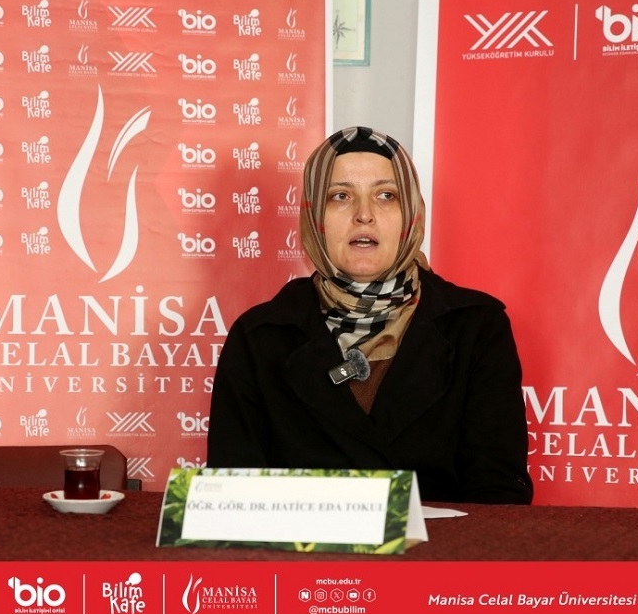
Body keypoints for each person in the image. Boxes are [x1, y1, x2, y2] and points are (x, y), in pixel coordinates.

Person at [206, 126, 533, 504]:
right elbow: (231, 501)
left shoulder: (476, 327)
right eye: (340, 196)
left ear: (410, 214)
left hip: (439, 542)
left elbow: (499, 496)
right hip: (301, 543)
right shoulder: (259, 338)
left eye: (386, 196)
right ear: (314, 216)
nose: (364, 215)